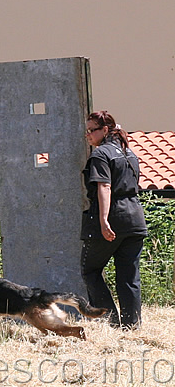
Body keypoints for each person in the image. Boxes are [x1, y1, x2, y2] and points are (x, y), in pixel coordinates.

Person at [80, 111, 147, 330]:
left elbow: (104, 186)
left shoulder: (100, 155)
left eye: (92, 130)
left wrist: (103, 220)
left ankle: (111, 322)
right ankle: (131, 326)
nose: (88, 135)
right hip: (136, 219)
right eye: (87, 130)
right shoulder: (130, 153)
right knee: (129, 277)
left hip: (114, 216)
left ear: (105, 130)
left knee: (89, 270)